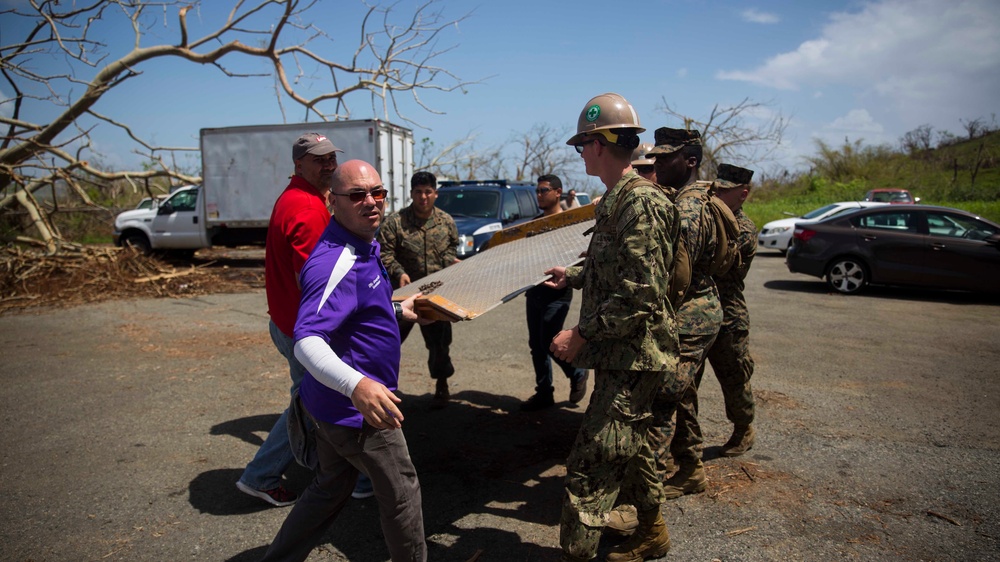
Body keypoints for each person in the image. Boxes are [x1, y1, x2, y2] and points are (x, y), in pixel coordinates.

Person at [259, 160, 428, 562]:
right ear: (332, 201)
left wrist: (399, 311)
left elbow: (357, 306)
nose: (371, 202)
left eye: (378, 192)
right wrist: (358, 386)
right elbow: (306, 341)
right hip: (356, 412)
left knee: (329, 490)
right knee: (403, 495)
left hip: (331, 406)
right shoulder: (334, 260)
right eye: (356, 195)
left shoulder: (365, 242)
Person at [545, 93, 681, 562]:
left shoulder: (639, 203)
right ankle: (653, 534)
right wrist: (574, 275)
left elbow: (639, 293)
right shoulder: (617, 199)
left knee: (591, 468)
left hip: (634, 356)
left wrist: (580, 335)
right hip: (623, 353)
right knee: (635, 446)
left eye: (582, 143)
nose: (580, 152)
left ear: (600, 144)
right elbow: (613, 266)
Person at [236, 132, 340, 508]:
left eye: (331, 158)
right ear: (298, 165)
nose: (328, 165)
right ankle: (261, 475)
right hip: (301, 328)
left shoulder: (299, 197)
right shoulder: (308, 209)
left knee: (309, 398)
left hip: (285, 320)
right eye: (318, 160)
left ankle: (319, 466)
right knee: (311, 401)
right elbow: (319, 282)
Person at [646, 127, 722, 499]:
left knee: (660, 401)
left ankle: (645, 501)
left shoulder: (687, 209)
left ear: (690, 161)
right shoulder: (698, 196)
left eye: (665, 156)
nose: (656, 162)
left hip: (688, 318)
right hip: (701, 312)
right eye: (656, 155)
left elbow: (675, 277)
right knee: (684, 394)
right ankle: (691, 469)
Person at [377, 171, 460, 408]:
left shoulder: (446, 221)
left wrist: (447, 261)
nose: (423, 197)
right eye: (418, 192)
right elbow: (384, 252)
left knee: (440, 345)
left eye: (427, 192)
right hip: (402, 295)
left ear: (435, 193)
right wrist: (399, 272)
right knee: (386, 342)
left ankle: (441, 384)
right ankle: (379, 386)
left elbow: (452, 246)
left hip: (435, 296)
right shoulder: (395, 222)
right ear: (411, 194)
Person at [520, 174, 589, 412]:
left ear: (558, 192)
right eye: (537, 191)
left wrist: (570, 277)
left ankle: (578, 373)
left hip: (558, 293)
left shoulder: (571, 223)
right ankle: (544, 393)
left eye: (544, 190)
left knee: (548, 341)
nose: (539, 195)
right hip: (535, 291)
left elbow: (581, 257)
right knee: (535, 345)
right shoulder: (535, 225)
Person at [702, 163, 757, 456]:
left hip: (728, 314)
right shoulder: (708, 218)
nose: (718, 194)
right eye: (716, 189)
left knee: (734, 374)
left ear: (743, 194)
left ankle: (743, 426)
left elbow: (717, 262)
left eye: (725, 190)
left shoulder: (743, 229)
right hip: (699, 314)